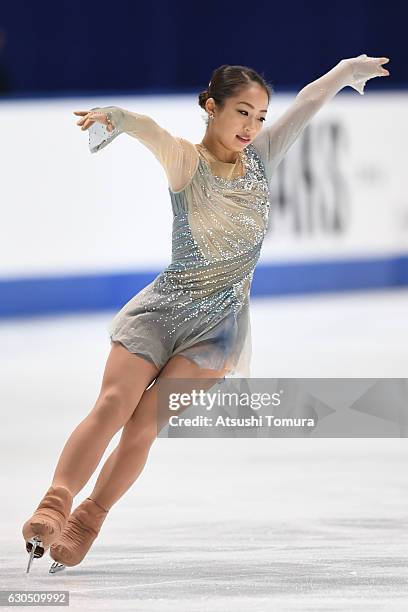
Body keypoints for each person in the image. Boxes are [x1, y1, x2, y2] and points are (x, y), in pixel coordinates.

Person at [21, 54, 390, 573]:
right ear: (211, 107)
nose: (252, 126)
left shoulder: (262, 158)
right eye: (242, 112)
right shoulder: (186, 162)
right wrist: (119, 119)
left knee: (144, 424)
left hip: (219, 331)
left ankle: (88, 520)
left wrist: (345, 71)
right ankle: (55, 504)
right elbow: (150, 131)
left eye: (260, 116)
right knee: (113, 403)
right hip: (163, 311)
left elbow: (307, 103)